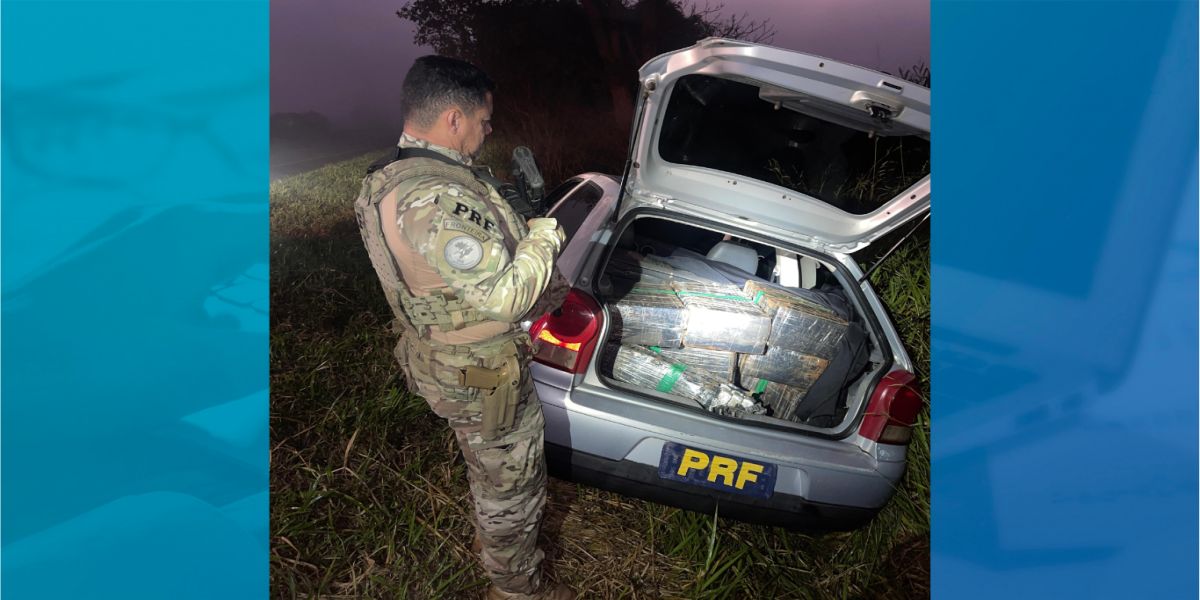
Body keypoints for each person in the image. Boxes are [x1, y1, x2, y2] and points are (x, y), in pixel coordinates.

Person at [354, 56, 573, 600]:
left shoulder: (394, 176)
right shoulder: (434, 195)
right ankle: (517, 591)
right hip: (479, 373)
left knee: (490, 468)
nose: (488, 129)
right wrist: (545, 236)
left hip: (448, 360)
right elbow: (505, 297)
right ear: (454, 117)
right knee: (510, 487)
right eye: (484, 119)